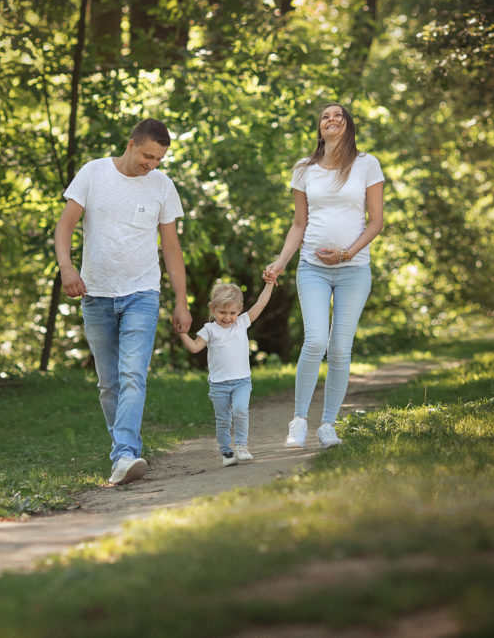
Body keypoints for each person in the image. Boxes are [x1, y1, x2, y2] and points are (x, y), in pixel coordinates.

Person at [54, 118, 191, 486]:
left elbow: (172, 249)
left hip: (142, 293)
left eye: (159, 159)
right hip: (96, 294)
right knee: (108, 383)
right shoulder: (93, 173)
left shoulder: (162, 186)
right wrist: (67, 269)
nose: (152, 165)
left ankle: (125, 454)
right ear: (131, 144)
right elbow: (65, 225)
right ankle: (124, 453)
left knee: (133, 374)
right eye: (148, 156)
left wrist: (182, 301)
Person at [263, 103, 385, 450]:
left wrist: (347, 253)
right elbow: (299, 224)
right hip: (312, 268)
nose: (331, 120)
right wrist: (281, 261)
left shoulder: (367, 165)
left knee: (341, 350)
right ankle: (299, 419)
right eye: (325, 117)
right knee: (316, 341)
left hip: (354, 270)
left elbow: (376, 221)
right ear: (319, 128)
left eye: (338, 116)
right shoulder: (304, 169)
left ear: (348, 126)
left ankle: (328, 424)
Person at [178, 279, 275, 466]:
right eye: (222, 312)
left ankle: (241, 446)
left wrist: (269, 284)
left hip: (241, 381)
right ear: (212, 308)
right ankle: (226, 452)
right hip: (218, 385)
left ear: (239, 311)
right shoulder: (210, 330)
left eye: (232, 313)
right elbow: (195, 347)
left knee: (240, 410)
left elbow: (261, 304)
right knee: (223, 419)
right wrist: (182, 333)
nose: (227, 317)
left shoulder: (242, 323)